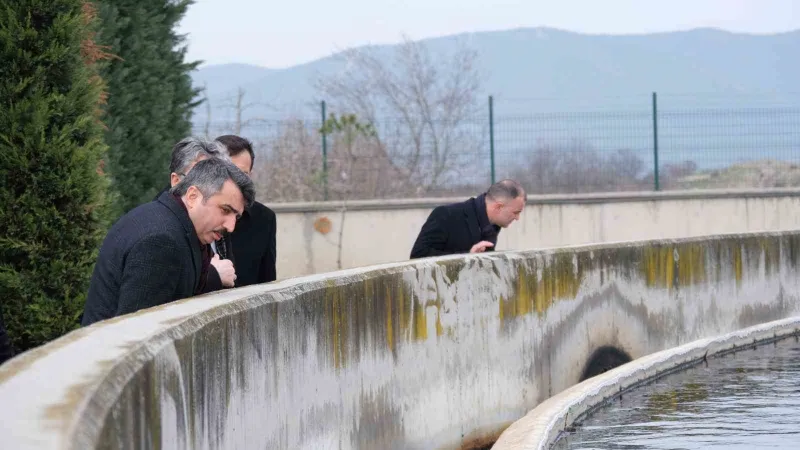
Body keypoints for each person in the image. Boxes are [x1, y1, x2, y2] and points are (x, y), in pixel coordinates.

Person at [81, 156, 255, 326]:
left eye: (236, 217)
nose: (231, 226)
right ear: (193, 196)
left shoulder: (169, 221)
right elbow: (137, 333)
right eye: (225, 210)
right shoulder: (161, 241)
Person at [163, 137, 237, 291]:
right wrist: (213, 275)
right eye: (199, 178)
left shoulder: (221, 219)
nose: (209, 188)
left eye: (214, 179)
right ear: (176, 181)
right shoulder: (162, 229)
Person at [214, 135, 277, 285]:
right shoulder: (193, 214)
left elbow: (267, 281)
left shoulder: (264, 219)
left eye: (242, 174)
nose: (234, 182)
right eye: (228, 172)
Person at [410, 179, 526, 259]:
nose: (517, 218)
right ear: (498, 207)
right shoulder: (445, 215)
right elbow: (418, 256)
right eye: (515, 213)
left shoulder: (493, 225)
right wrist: (467, 257)